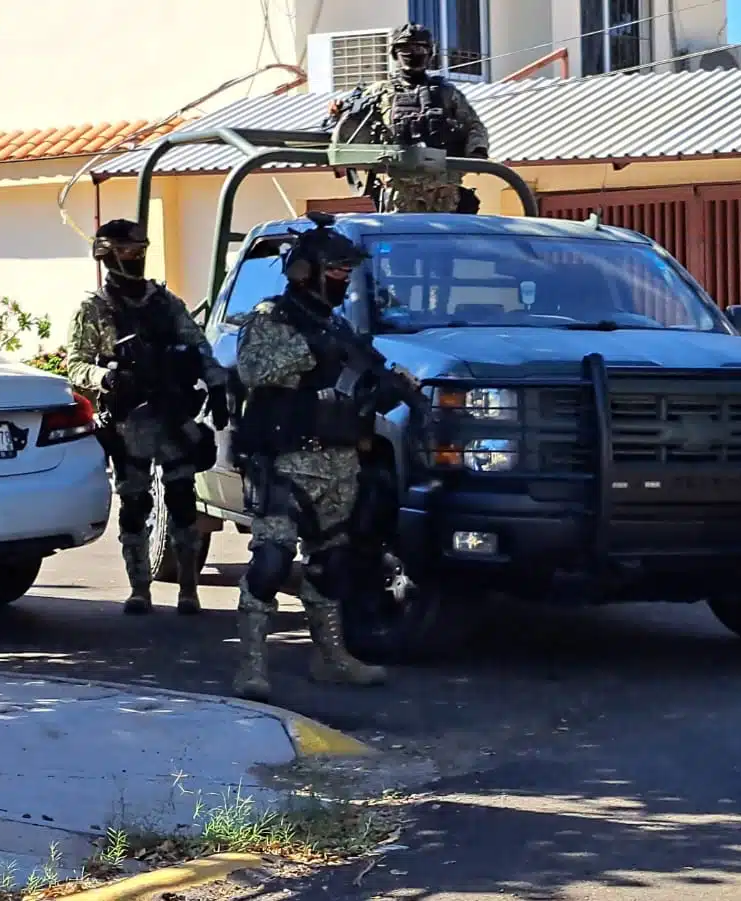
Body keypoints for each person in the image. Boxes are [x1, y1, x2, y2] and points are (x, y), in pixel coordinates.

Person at [228, 217, 397, 701]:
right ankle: (252, 668)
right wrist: (314, 351)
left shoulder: (339, 325)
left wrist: (382, 388)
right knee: (271, 561)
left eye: (349, 269)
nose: (345, 278)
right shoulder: (272, 317)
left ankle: (331, 657)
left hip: (337, 463)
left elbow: (360, 382)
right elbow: (253, 369)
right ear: (306, 271)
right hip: (284, 461)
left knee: (331, 564)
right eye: (337, 268)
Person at [66, 219, 228, 616]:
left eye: (140, 250)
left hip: (172, 414)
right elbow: (75, 363)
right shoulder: (95, 309)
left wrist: (218, 386)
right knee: (135, 503)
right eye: (126, 252)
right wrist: (105, 377)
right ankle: (140, 589)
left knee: (182, 500)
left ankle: (188, 588)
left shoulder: (165, 303)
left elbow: (198, 345)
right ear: (107, 255)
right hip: (127, 419)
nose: (135, 258)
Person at [345, 23, 490, 214]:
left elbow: (474, 126)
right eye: (405, 48)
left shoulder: (447, 93)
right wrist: (340, 113)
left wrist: (476, 153)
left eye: (419, 48)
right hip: (399, 189)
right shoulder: (378, 93)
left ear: (429, 53)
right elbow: (349, 130)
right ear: (395, 53)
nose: (413, 53)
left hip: (443, 189)